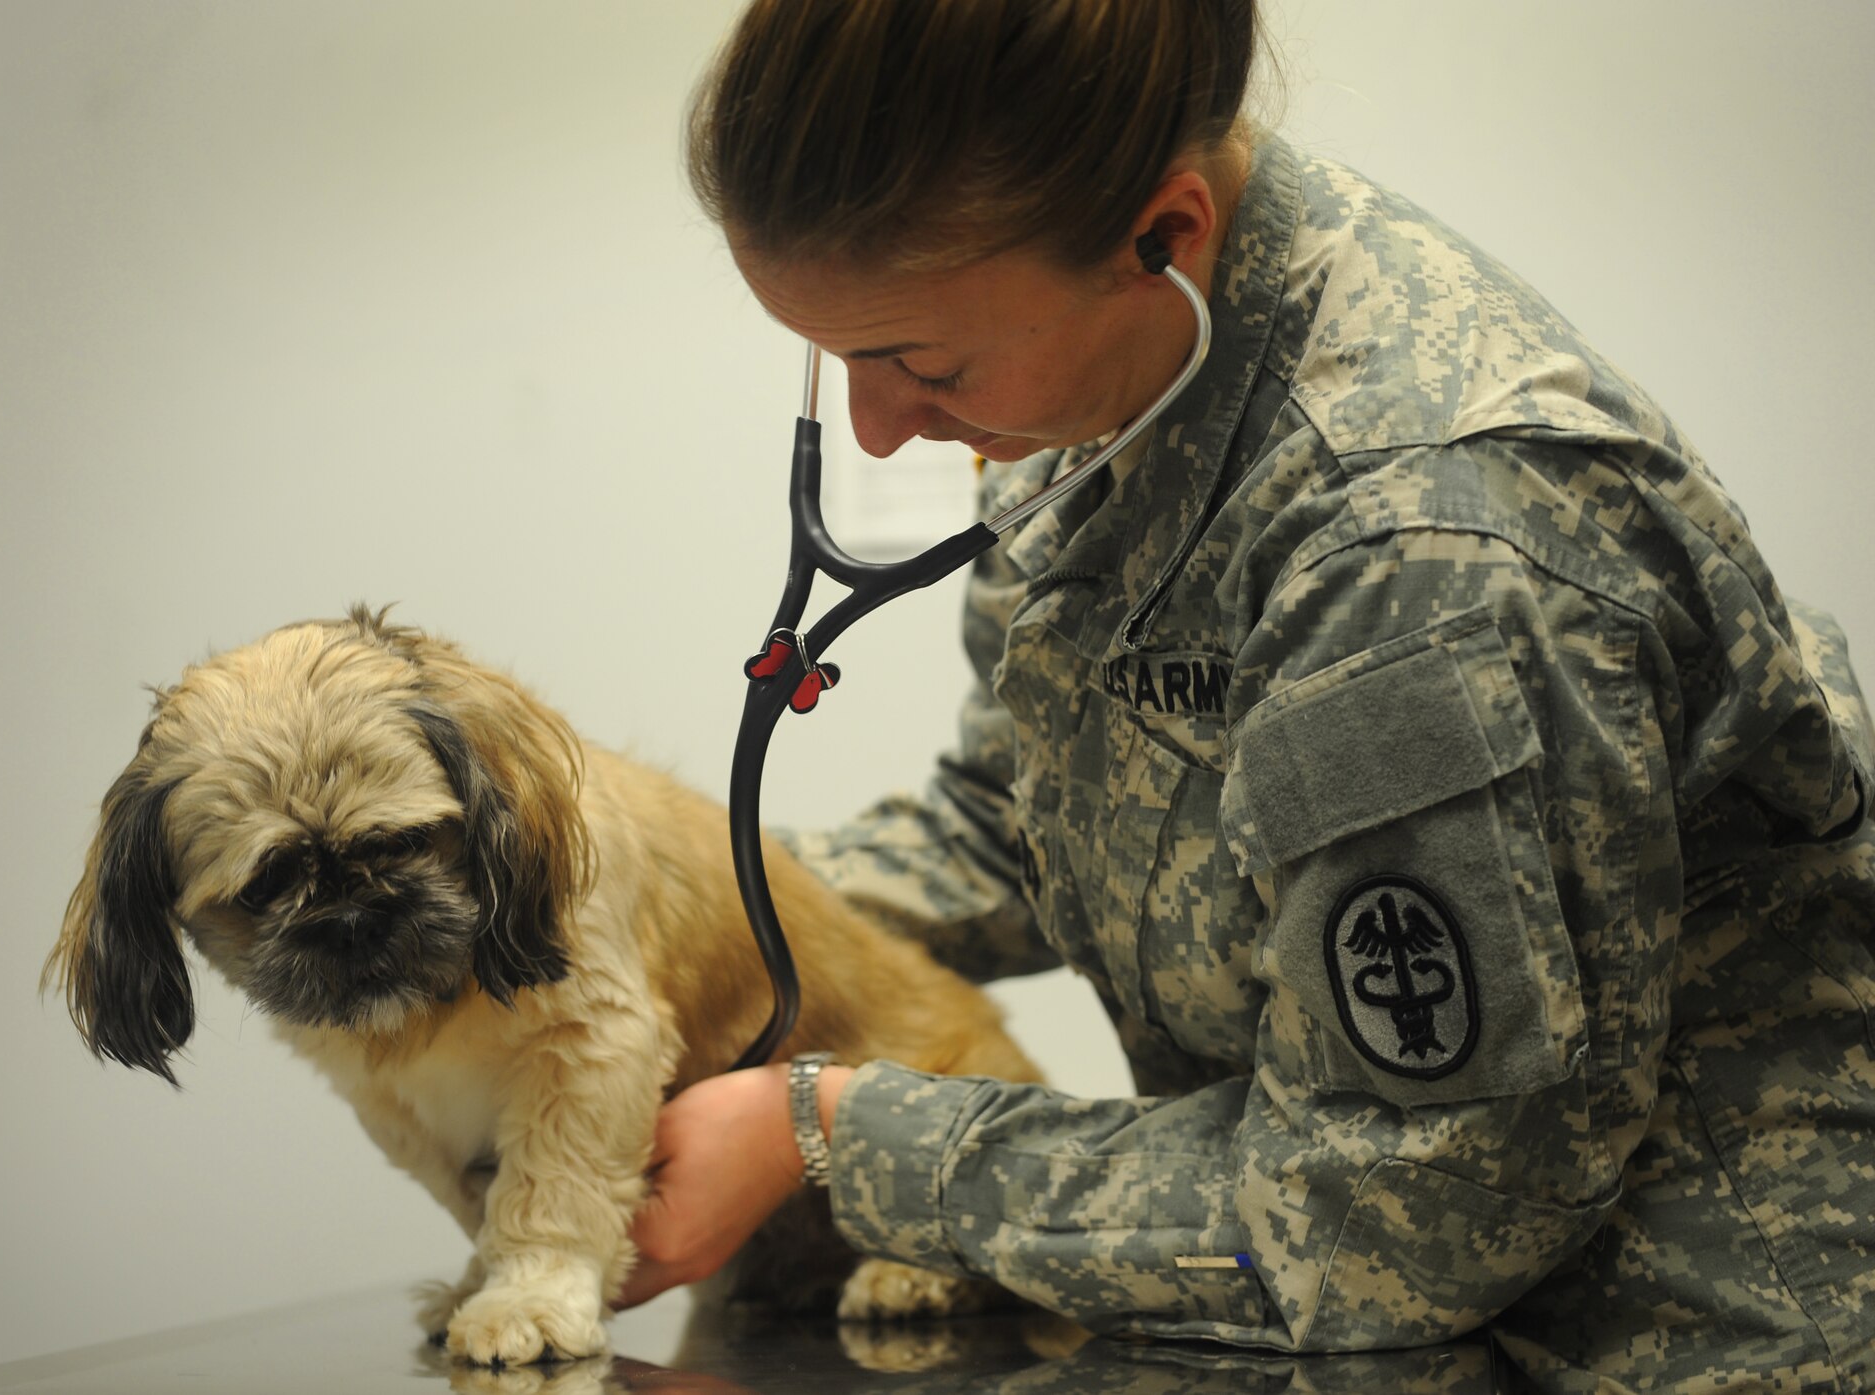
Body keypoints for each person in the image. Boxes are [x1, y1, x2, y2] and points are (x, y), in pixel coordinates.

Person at [620, 2, 1875, 1389]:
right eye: (831, 354)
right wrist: (649, 919)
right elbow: (1015, 828)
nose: (878, 427)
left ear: (1166, 233)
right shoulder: (1111, 393)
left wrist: (838, 1138)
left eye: (925, 364)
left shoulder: (1418, 545)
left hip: (1664, 1344)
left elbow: (1402, 1208)